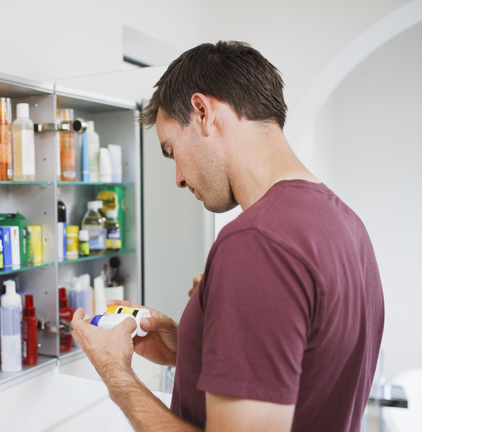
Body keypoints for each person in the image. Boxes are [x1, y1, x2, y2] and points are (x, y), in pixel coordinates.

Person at [71, 41, 384, 431]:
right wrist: (190, 348)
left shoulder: (256, 243)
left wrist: (116, 374)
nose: (179, 178)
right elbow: (305, 372)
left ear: (203, 112)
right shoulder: (345, 224)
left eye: (172, 151)